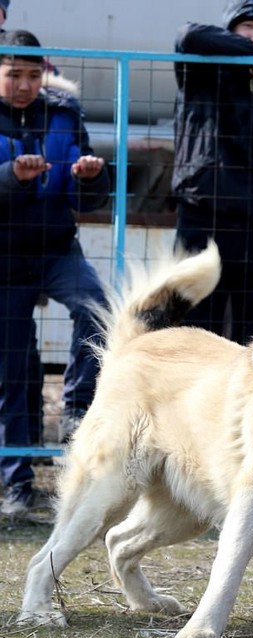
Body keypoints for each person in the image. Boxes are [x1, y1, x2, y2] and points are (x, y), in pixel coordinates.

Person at [0, 29, 110, 517]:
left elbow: (89, 200)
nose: (24, 85)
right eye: (13, 75)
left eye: (32, 75)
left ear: (44, 74)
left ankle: (76, 406)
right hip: (5, 258)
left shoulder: (65, 113)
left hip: (57, 248)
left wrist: (91, 176)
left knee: (98, 307)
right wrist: (12, 177)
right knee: (12, 373)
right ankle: (17, 484)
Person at [172, 0, 253, 345]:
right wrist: (251, 58)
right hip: (203, 221)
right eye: (247, 28)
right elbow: (188, 35)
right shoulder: (200, 74)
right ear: (230, 32)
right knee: (194, 333)